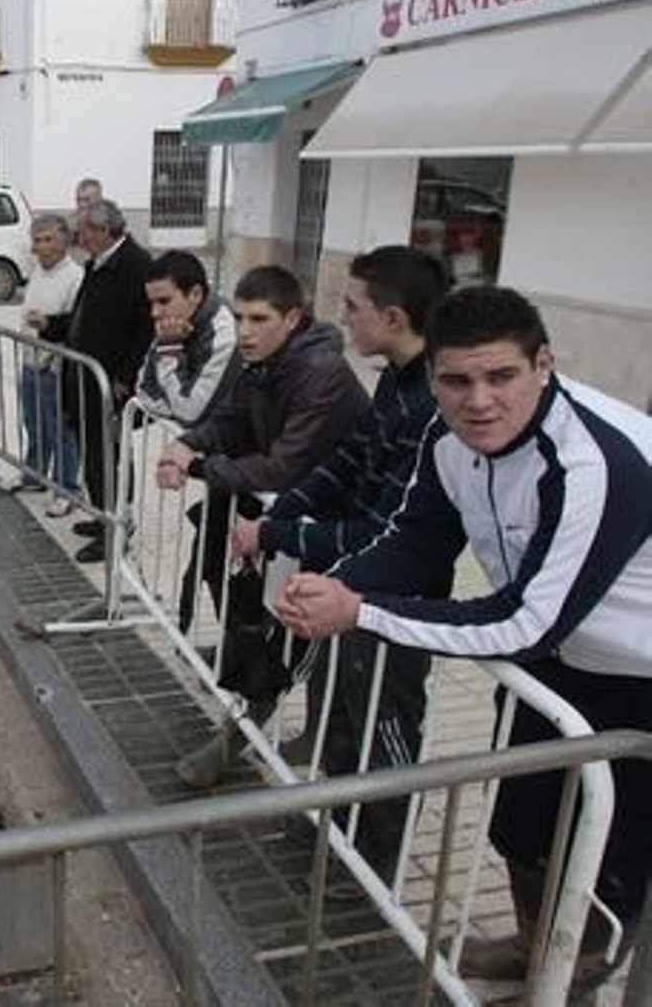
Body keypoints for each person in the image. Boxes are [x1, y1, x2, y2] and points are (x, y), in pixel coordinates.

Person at [274, 287, 651, 989]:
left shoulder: (596, 462)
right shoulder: (448, 439)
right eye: (456, 380)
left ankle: (574, 976)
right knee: (521, 819)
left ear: (543, 364)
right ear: (435, 374)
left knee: (613, 846)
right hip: (558, 661)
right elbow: (417, 544)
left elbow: (523, 620)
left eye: (501, 376)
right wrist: (330, 585)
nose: (479, 400)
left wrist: (357, 612)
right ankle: (539, 944)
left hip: (637, 674)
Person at [188, 248, 447, 848]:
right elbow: (349, 463)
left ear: (392, 316)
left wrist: (275, 529)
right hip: (349, 581)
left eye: (352, 306)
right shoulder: (396, 384)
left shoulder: (427, 402)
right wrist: (278, 519)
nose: (344, 317)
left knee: (381, 728)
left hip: (395, 601)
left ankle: (372, 868)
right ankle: (336, 825)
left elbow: (388, 528)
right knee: (338, 711)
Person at [158, 265, 369, 782]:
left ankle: (241, 742)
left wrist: (199, 467)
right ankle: (302, 736)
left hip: (339, 535)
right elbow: (231, 420)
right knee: (290, 640)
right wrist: (189, 444)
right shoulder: (264, 365)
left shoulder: (320, 372)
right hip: (294, 524)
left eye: (259, 318)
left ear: (292, 318)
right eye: (239, 318)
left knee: (293, 647)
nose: (245, 331)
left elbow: (283, 465)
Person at [28, 199, 153, 563]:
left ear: (102, 231)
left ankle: (117, 529)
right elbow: (84, 319)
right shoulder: (98, 264)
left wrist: (125, 379)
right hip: (85, 379)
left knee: (109, 456)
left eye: (82, 230)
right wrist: (52, 325)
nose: (78, 236)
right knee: (94, 457)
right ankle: (102, 518)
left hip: (109, 384)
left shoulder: (135, 266)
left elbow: (146, 331)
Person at [4, 215, 84, 516]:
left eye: (47, 239)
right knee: (33, 423)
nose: (40, 246)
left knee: (61, 429)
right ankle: (34, 475)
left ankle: (67, 489)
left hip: (55, 366)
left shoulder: (75, 276)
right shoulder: (37, 270)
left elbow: (73, 327)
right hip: (29, 359)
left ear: (64, 241)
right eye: (36, 240)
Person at [134, 249, 240, 429]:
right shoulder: (172, 327)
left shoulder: (225, 333)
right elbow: (143, 390)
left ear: (195, 295)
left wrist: (168, 350)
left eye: (164, 301)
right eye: (151, 303)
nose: (155, 313)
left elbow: (189, 414)